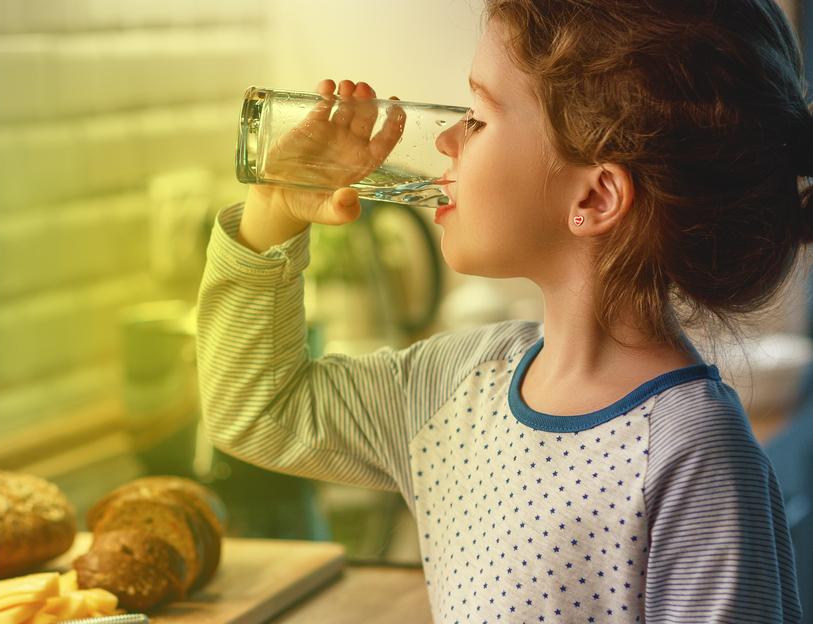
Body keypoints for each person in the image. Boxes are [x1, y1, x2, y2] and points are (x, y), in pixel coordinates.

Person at [195, 0, 806, 621]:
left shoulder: (692, 457)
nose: (443, 139)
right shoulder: (459, 383)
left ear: (594, 197)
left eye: (479, 119)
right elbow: (260, 409)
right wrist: (272, 217)